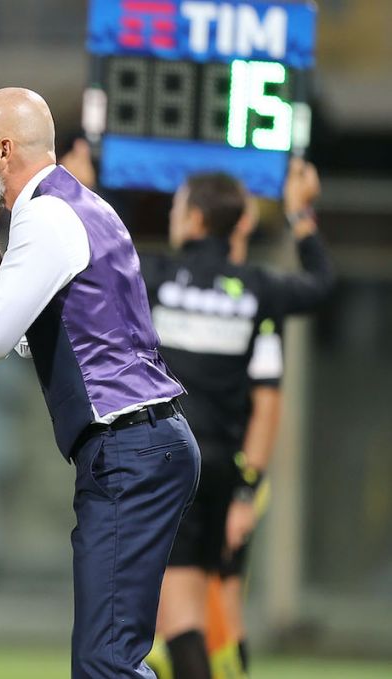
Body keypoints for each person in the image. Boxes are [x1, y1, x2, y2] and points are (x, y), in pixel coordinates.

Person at [0, 87, 200, 679]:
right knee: (109, 658)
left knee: (105, 663)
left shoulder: (47, 216)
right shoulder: (78, 204)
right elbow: (38, 334)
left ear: (3, 150)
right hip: (147, 442)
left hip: (128, 449)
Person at [60, 143, 334, 678]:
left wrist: (83, 190)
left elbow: (98, 252)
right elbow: (321, 285)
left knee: (180, 621)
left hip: (170, 460)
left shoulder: (156, 277)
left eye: (179, 207)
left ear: (198, 218)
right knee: (220, 617)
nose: (172, 215)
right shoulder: (258, 289)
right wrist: (301, 213)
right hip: (229, 474)